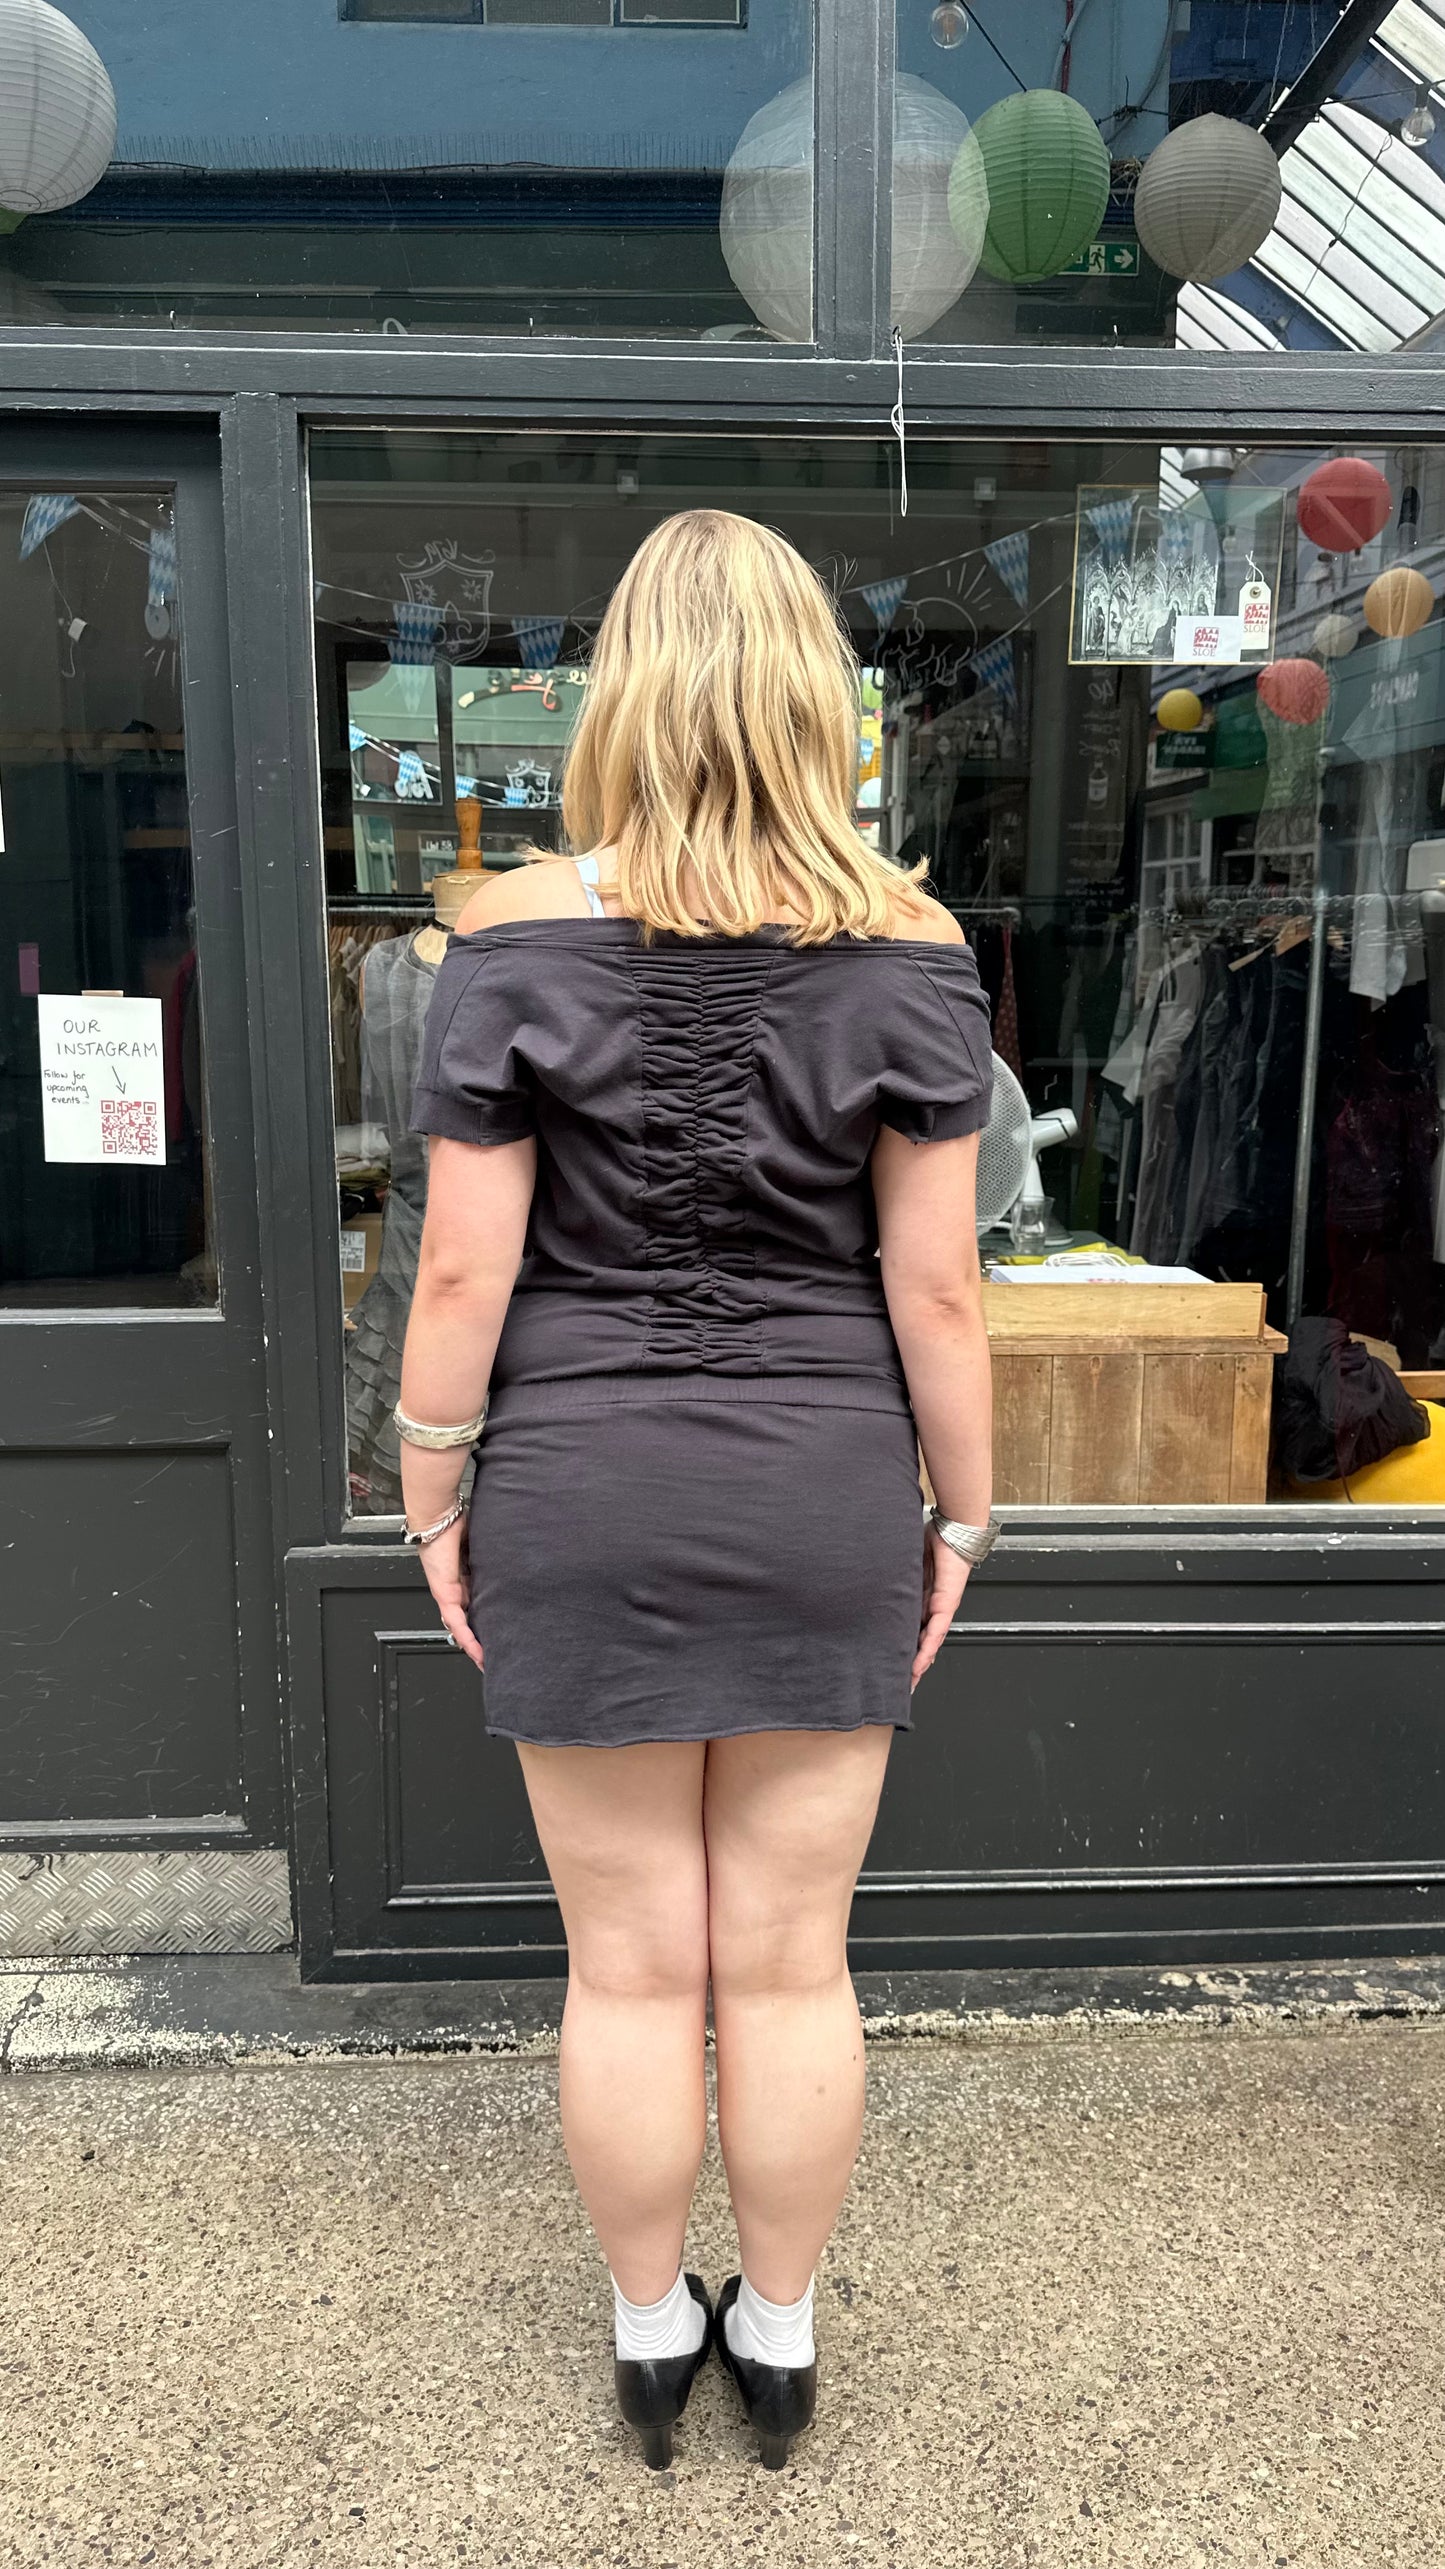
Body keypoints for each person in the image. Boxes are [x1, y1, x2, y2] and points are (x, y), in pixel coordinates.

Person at [396, 508, 995, 2472]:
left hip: (578, 1482)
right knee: (794, 1959)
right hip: (823, 1480)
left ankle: (657, 2334)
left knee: (634, 1963)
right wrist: (964, 1514)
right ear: (815, 698)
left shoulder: (504, 933)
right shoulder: (911, 946)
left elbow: (463, 1273)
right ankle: (784, 2335)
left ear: (621, 694)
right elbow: (935, 1289)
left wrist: (427, 1489)